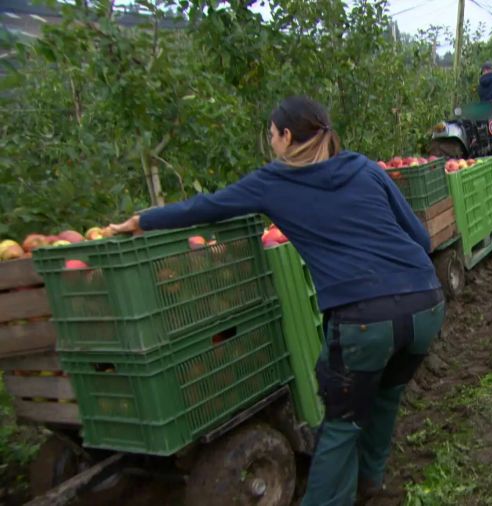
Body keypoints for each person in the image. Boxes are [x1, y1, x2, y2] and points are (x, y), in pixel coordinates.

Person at [109, 96, 446, 506]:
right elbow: (423, 239)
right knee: (385, 399)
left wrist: (142, 220)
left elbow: (206, 206)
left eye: (271, 135)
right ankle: (369, 482)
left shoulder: (273, 182)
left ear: (287, 136)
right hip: (426, 303)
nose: (271, 143)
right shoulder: (363, 168)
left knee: (342, 424)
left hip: (364, 318)